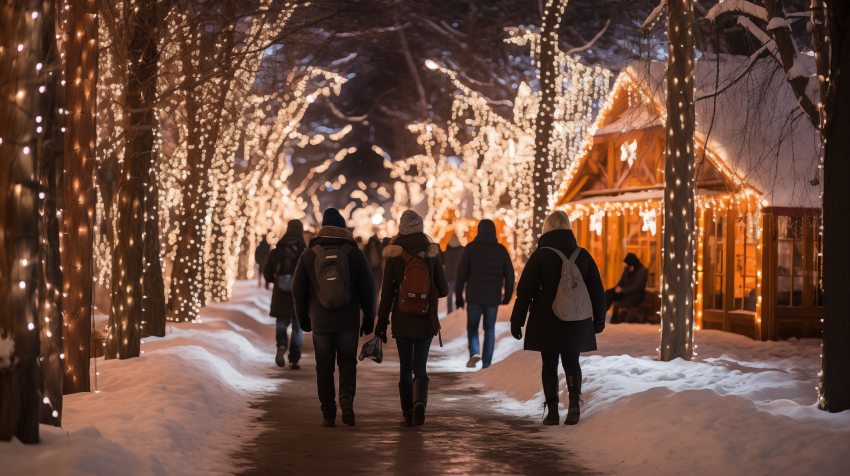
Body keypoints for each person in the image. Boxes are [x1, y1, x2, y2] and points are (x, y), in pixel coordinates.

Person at [509, 210, 606, 426]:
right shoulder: (583, 255)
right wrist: (599, 320)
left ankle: (552, 410)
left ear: (547, 229)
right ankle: (573, 403)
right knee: (572, 360)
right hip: (577, 318)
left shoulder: (540, 255)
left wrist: (517, 320)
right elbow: (596, 291)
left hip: (547, 319)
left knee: (549, 363)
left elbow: (525, 291)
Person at [292, 208, 376, 427]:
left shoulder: (310, 253)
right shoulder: (354, 253)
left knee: (324, 366)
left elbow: (298, 289)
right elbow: (368, 288)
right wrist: (369, 318)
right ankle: (346, 397)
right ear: (343, 228)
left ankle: (328, 413)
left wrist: (303, 318)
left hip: (320, 320)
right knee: (347, 362)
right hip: (348, 320)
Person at [375, 210, 448, 427]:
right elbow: (443, 289)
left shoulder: (393, 253)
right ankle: (420, 404)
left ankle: (407, 412)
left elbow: (387, 292)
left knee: (405, 366)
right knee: (420, 366)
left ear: (401, 227)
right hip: (425, 318)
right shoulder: (432, 251)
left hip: (402, 317)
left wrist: (381, 322)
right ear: (421, 226)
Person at [454, 219, 514, 369]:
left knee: (473, 326)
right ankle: (487, 362)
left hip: (474, 296)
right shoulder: (501, 250)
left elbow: (461, 274)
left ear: (479, 231)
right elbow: (510, 275)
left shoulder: (470, 248)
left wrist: (459, 296)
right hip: (493, 298)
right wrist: (507, 296)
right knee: (490, 329)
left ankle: (474, 352)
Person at [263, 220, 306, 370]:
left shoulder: (276, 251)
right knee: (297, 328)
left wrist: (277, 280)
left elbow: (267, 274)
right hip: (299, 297)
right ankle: (294, 359)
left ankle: (281, 344)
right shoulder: (305, 252)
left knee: (281, 323)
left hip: (280, 296)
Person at [604, 253, 649, 321]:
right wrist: (616, 289)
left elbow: (637, 287)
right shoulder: (627, 269)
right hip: (625, 293)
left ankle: (616, 320)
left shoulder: (642, 270)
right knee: (609, 293)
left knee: (621, 302)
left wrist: (622, 290)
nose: (628, 266)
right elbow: (621, 282)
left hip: (635, 295)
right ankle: (601, 313)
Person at [441, 234, 464, 314]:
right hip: (458, 276)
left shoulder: (447, 251)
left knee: (449, 296)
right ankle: (459, 308)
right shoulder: (462, 250)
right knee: (459, 293)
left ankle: (450, 311)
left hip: (449, 277)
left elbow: (442, 261)